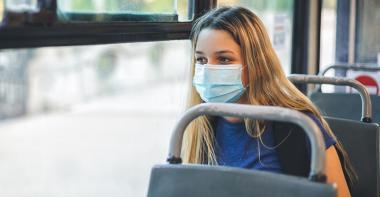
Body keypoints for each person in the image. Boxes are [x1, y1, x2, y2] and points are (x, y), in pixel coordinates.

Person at [182, 6, 355, 197]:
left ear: (255, 64)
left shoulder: (299, 127)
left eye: (224, 60)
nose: (208, 71)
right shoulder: (197, 125)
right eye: (201, 60)